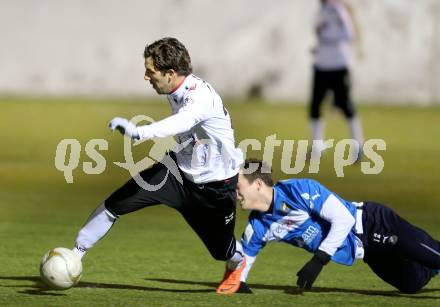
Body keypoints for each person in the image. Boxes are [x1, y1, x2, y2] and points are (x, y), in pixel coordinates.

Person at [71, 37, 247, 294]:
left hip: (216, 187)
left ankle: (237, 261)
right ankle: (75, 255)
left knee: (222, 250)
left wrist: (138, 133)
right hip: (177, 173)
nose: (146, 77)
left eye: (150, 71)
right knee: (118, 202)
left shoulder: (200, 98)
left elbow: (181, 122)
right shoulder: (177, 89)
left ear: (170, 73)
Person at [230, 158, 440, 294]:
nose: (235, 193)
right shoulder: (258, 225)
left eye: (238, 186)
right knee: (411, 283)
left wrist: (319, 259)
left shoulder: (299, 189)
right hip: (365, 252)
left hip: (371, 224)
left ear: (258, 184)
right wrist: (238, 282)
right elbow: (245, 255)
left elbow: (344, 219)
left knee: (434, 256)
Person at [309, 0, 364, 159]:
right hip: (321, 65)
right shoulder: (323, 11)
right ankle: (317, 147)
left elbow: (349, 34)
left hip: (338, 65)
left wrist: (327, 36)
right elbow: (317, 30)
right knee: (315, 106)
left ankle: (357, 146)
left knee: (345, 105)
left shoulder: (338, 11)